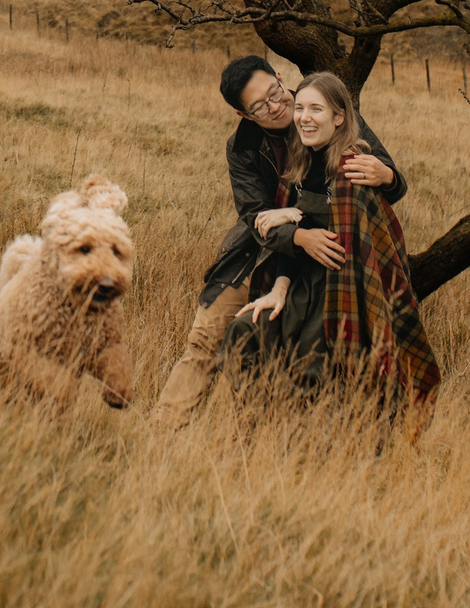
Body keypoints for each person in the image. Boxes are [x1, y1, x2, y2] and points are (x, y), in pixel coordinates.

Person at [148, 55, 406, 427]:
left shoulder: (318, 105)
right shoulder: (242, 146)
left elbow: (383, 182)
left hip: (329, 244)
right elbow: (255, 215)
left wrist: (388, 176)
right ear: (244, 115)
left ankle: (273, 430)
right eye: (259, 106)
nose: (276, 106)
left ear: (280, 77)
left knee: (307, 346)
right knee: (207, 336)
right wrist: (299, 236)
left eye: (274, 92)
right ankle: (164, 429)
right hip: (261, 250)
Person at [224, 72, 439, 411]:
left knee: (313, 363)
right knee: (244, 331)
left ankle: (320, 441)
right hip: (299, 277)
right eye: (302, 110)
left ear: (339, 117)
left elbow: (357, 235)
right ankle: (259, 427)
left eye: (316, 110)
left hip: (344, 284)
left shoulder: (355, 168)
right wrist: (282, 273)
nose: (304, 118)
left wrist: (389, 176)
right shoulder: (303, 159)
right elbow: (289, 225)